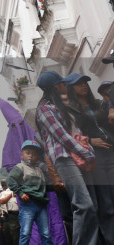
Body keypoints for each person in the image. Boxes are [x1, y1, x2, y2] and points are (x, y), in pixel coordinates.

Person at [35, 71, 98, 245]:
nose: (65, 86)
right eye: (62, 83)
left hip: (78, 156)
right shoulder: (44, 109)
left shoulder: (62, 106)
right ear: (56, 86)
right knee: (83, 205)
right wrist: (86, 152)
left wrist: (87, 149)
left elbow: (77, 133)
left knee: (91, 206)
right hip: (64, 158)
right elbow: (62, 136)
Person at [0, 97, 68, 245]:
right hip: (27, 197)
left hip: (46, 191)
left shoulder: (36, 138)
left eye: (21, 124)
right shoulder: (11, 148)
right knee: (31, 229)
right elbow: (13, 176)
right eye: (14, 126)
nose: (19, 129)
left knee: (53, 222)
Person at [62, 73, 114, 244]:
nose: (83, 85)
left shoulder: (99, 104)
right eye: (78, 84)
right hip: (94, 157)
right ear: (70, 88)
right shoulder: (70, 110)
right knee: (106, 202)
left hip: (111, 151)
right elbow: (71, 136)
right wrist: (91, 141)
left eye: (85, 82)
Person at [7, 141, 53, 245]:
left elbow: (44, 186)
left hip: (41, 205)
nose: (31, 156)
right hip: (28, 204)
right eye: (28, 152)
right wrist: (20, 193)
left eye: (34, 154)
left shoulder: (39, 170)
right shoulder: (20, 167)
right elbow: (10, 180)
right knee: (25, 233)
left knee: (46, 233)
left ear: (38, 157)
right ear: (22, 155)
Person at [0, 180, 21, 245]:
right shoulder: (0, 195)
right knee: (7, 236)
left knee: (16, 235)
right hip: (5, 217)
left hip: (16, 215)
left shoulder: (19, 192)